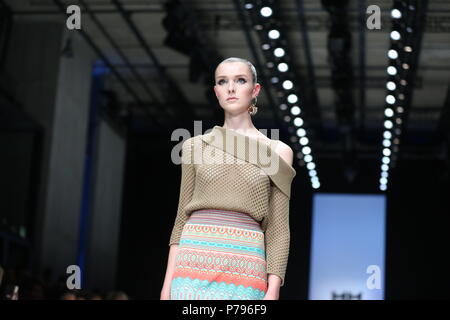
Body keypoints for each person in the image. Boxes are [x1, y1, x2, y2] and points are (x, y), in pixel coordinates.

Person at [160, 57, 296, 300]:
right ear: (216, 91)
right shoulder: (194, 146)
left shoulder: (277, 152)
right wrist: (167, 286)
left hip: (246, 268)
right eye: (223, 82)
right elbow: (182, 218)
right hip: (193, 264)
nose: (231, 88)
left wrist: (273, 288)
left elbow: (278, 228)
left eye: (240, 80)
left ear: (255, 90)